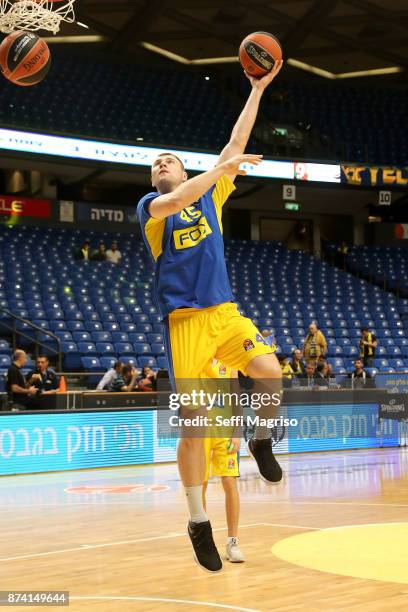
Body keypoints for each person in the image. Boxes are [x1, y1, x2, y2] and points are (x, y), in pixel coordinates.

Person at [137, 59, 284, 573]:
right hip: (186, 324)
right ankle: (198, 520)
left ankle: (261, 436)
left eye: (170, 160)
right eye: (156, 162)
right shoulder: (152, 209)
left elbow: (234, 146)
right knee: (195, 426)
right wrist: (219, 170)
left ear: (184, 166)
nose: (162, 165)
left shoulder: (214, 193)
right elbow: (180, 196)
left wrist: (257, 89)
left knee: (270, 372)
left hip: (225, 313)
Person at [202, 361, 244, 563]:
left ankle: (232, 542)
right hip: (199, 428)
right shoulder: (195, 351)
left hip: (225, 428)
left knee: (229, 482)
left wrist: (237, 431)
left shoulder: (230, 361)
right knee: (199, 485)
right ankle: (203, 542)